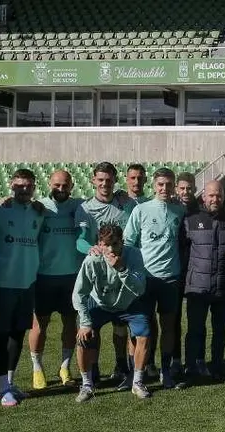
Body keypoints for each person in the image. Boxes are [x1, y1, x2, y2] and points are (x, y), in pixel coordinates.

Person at [72, 223, 151, 402]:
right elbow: (79, 293)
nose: (110, 249)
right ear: (99, 244)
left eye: (115, 244)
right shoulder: (92, 260)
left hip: (129, 303)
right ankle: (87, 384)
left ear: (122, 242)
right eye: (105, 244)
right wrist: (85, 322)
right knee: (82, 337)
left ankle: (137, 382)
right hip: (99, 304)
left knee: (144, 334)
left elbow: (140, 289)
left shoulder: (134, 254)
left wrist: (122, 269)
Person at [75, 162, 137, 387]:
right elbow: (80, 239)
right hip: (98, 276)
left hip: (122, 273)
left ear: (114, 181)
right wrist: (89, 248)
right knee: (94, 324)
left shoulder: (124, 204)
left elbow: (136, 221)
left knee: (121, 326)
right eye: (100, 180)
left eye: (109, 180)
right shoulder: (85, 208)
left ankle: (121, 365)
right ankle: (94, 368)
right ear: (93, 180)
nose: (104, 184)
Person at [123, 167, 185, 389]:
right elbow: (128, 243)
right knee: (140, 329)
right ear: (153, 185)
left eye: (169, 184)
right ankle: (135, 373)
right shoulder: (141, 210)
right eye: (160, 184)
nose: (164, 189)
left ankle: (165, 370)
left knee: (168, 326)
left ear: (173, 185)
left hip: (170, 278)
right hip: (145, 279)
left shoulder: (179, 211)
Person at [0, 169, 44, 407]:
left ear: (33, 187)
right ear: (12, 185)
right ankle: (2, 389)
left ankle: (10, 384)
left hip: (27, 283)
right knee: (2, 336)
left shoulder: (37, 213)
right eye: (19, 185)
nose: (24, 189)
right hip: (1, 285)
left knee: (18, 335)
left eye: (28, 186)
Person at [178, 180, 225, 383]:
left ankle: (217, 368)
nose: (215, 199)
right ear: (204, 197)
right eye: (211, 195)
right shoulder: (190, 219)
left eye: (218, 195)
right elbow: (183, 251)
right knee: (195, 330)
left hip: (223, 286)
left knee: (219, 331)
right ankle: (191, 369)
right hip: (197, 287)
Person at [30, 170, 83, 390]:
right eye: (57, 185)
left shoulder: (78, 206)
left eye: (65, 186)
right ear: (49, 184)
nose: (61, 189)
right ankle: (36, 368)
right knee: (39, 325)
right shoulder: (38, 207)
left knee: (70, 323)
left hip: (71, 276)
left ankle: (64, 367)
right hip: (43, 276)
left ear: (71, 186)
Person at [172, 171, 197, 378]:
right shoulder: (170, 209)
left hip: (196, 272)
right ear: (176, 189)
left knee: (196, 320)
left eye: (189, 188)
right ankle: (175, 360)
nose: (186, 192)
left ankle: (195, 360)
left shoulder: (201, 210)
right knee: (174, 319)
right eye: (182, 188)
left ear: (195, 189)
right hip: (174, 272)